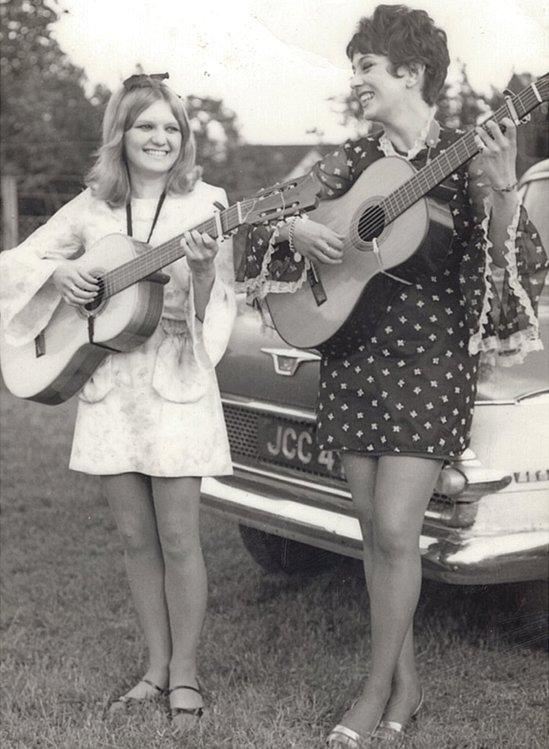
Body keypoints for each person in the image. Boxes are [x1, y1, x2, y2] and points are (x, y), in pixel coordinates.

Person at [236, 5, 547, 746]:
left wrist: (504, 187)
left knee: (399, 529)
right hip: (350, 357)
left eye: (366, 68)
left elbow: (519, 265)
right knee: (374, 529)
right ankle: (405, 680)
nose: (357, 82)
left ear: (410, 73)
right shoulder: (349, 161)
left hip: (430, 363)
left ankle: (372, 689)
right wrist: (293, 228)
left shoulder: (470, 154)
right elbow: (259, 219)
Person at [0, 73, 236, 732]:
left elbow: (220, 303)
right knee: (135, 539)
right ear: (122, 135)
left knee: (179, 537)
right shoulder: (90, 211)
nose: (159, 138)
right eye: (145, 126)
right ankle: (154, 668)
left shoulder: (208, 204)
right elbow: (12, 264)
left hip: (175, 380)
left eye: (170, 127)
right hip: (108, 387)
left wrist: (202, 268)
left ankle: (185, 672)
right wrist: (60, 272)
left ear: (183, 138)